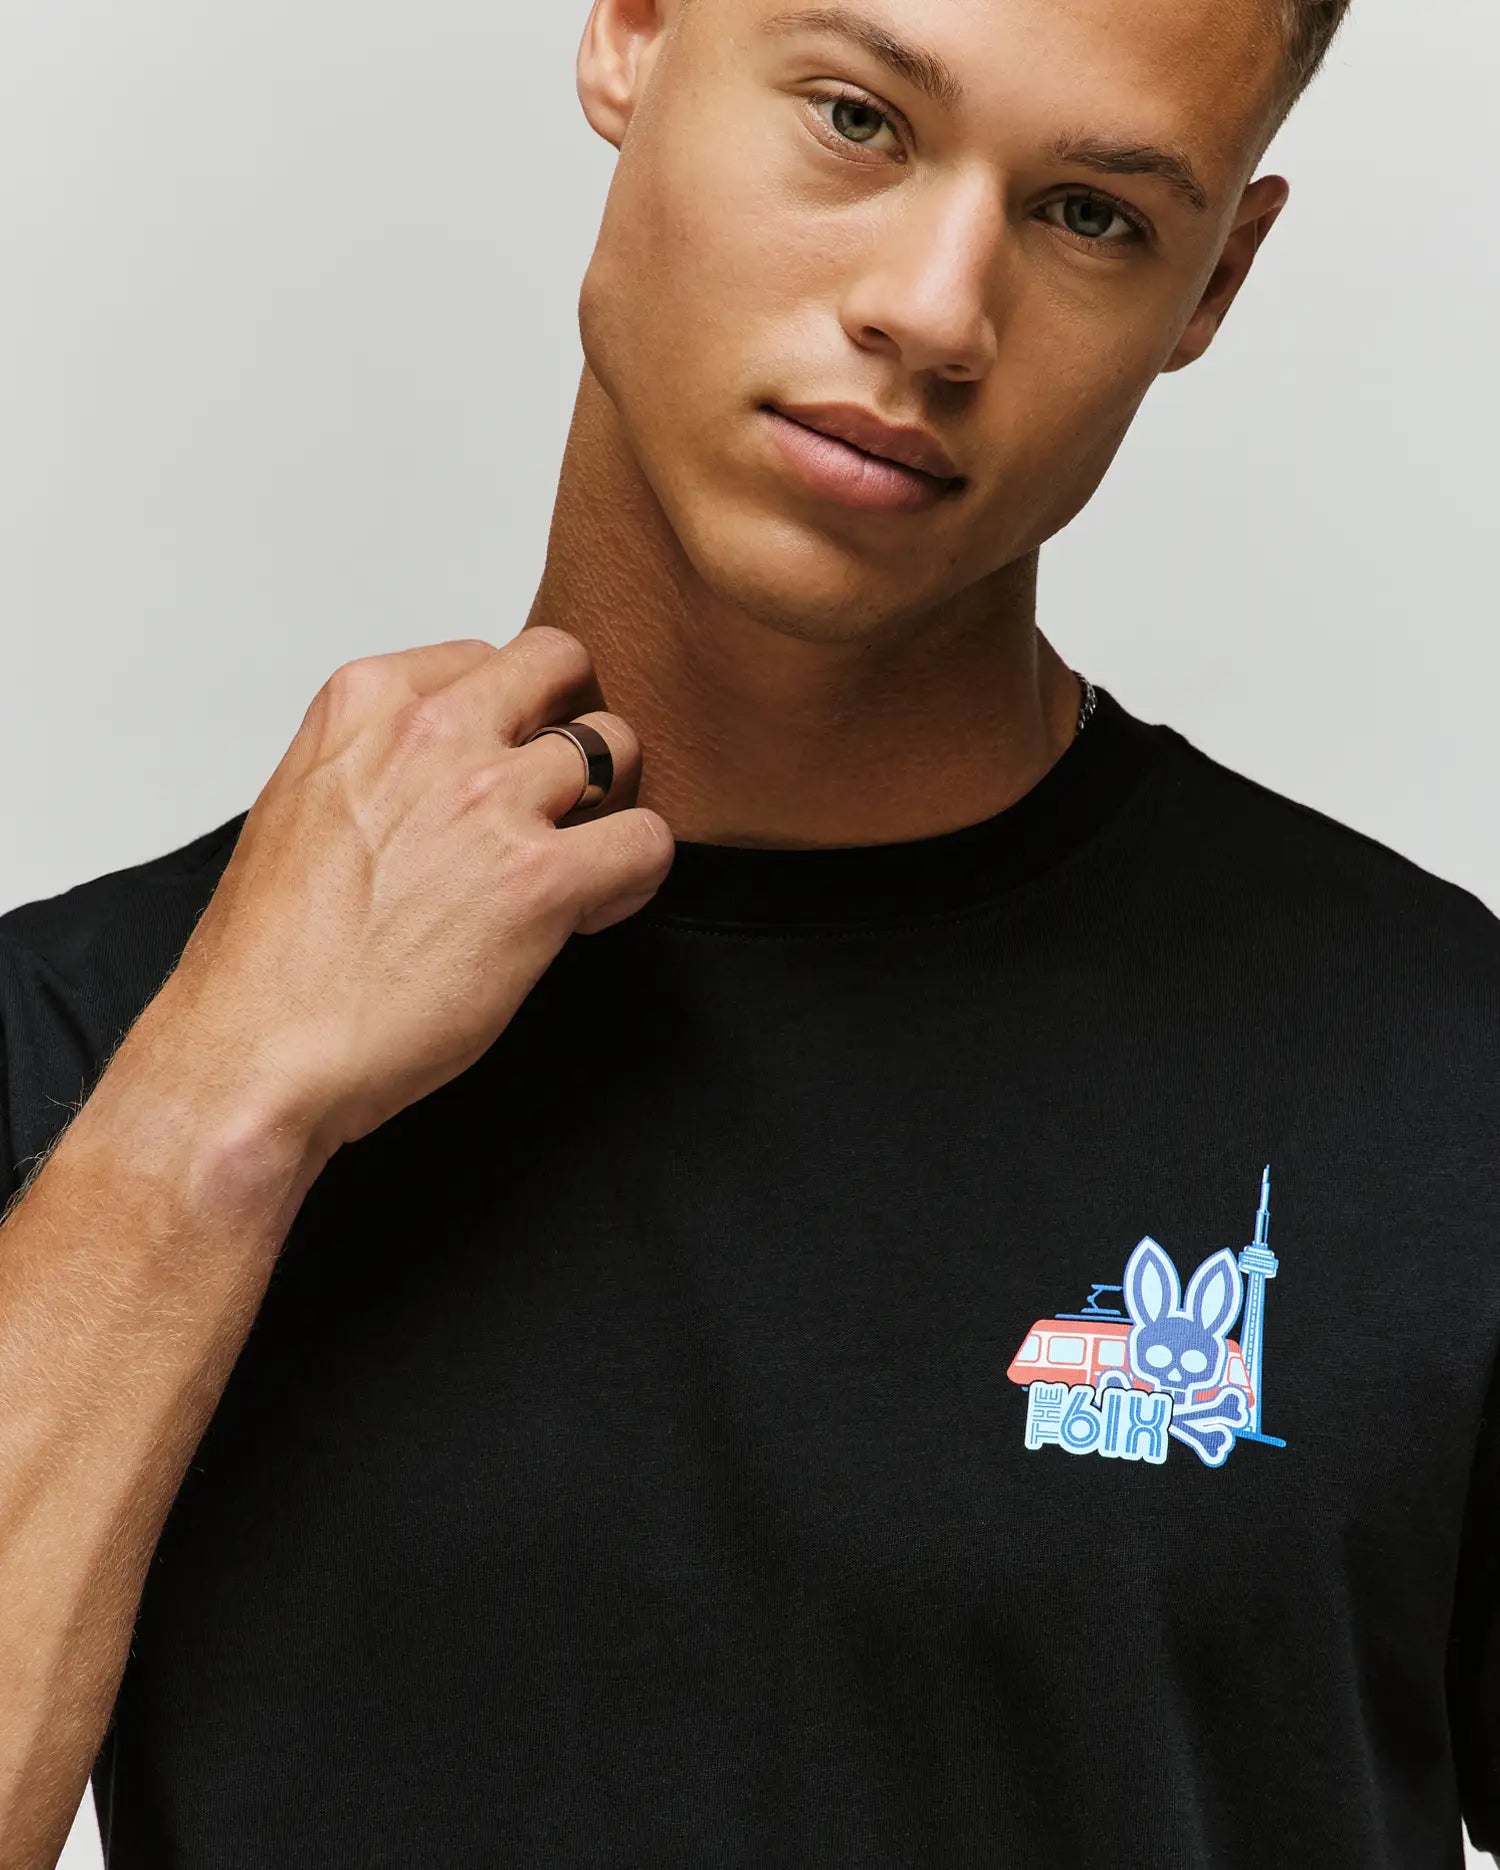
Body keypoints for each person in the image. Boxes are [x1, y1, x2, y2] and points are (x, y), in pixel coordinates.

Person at [2, 0, 1496, 1865]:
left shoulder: (1445, 1086)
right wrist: (206, 1124)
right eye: (861, 118)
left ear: (1217, 281)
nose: (938, 311)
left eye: (1094, 213)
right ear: (632, 31)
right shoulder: (83, 1045)